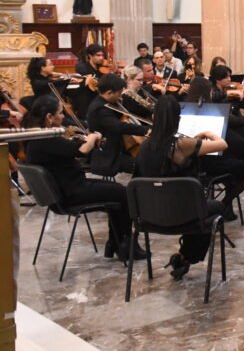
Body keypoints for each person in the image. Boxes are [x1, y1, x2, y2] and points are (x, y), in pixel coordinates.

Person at [24, 95, 146, 261]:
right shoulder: (46, 139)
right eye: (60, 113)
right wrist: (92, 138)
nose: (63, 117)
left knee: (118, 193)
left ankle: (116, 243)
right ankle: (124, 245)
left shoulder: (37, 136)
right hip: (71, 193)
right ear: (49, 117)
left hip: (68, 188)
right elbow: (81, 150)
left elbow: (68, 149)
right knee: (123, 194)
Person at [134, 95, 227, 279]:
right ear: (178, 118)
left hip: (149, 214)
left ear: (154, 118)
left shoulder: (144, 147)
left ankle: (184, 257)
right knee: (214, 209)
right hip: (181, 213)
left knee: (199, 210)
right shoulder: (182, 144)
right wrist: (210, 134)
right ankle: (185, 257)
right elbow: (222, 144)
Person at [86, 74, 150, 177]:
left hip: (119, 148)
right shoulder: (99, 108)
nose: (121, 96)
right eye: (119, 93)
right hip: (110, 154)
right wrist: (146, 130)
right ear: (109, 92)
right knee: (144, 166)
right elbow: (119, 126)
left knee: (145, 162)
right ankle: (137, 189)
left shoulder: (108, 102)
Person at [210, 65, 244, 165]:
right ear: (218, 79)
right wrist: (228, 94)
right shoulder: (214, 91)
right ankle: (234, 164)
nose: (230, 79)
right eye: (226, 77)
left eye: (230, 76)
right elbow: (214, 97)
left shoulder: (233, 92)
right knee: (239, 142)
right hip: (226, 124)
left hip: (236, 122)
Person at [72, 44, 105, 122]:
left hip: (97, 97)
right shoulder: (83, 68)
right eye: (98, 55)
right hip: (86, 99)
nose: (101, 58)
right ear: (90, 55)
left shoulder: (100, 68)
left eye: (102, 55)